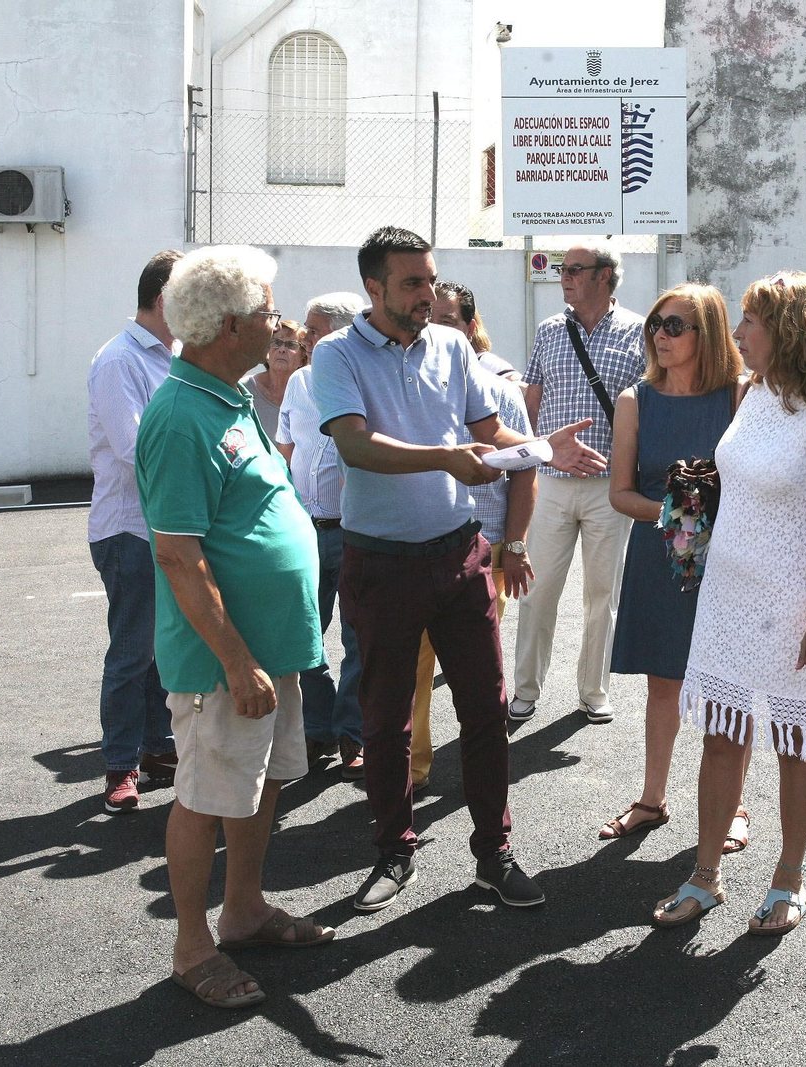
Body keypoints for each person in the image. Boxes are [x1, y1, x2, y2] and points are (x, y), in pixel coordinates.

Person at [312, 226, 605, 914]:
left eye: (432, 280)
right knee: (385, 721)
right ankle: (394, 849)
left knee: (484, 711)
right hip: (380, 561)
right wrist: (445, 456)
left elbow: (488, 432)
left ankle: (492, 854)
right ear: (373, 288)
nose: (428, 295)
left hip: (460, 554)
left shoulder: (449, 345)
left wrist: (539, 447)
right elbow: (355, 446)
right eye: (412, 283)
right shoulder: (335, 354)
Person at [136, 246, 333, 1010]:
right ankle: (193, 945)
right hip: (226, 658)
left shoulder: (227, 395)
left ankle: (243, 909)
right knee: (206, 792)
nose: (277, 324)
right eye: (265, 312)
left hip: (265, 649)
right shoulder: (181, 413)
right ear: (226, 325)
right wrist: (236, 660)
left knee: (264, 779)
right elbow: (179, 559)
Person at [651, 272, 806, 938]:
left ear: (792, 327)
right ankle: (705, 876)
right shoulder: (751, 391)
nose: (740, 333)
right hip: (729, 595)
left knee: (796, 742)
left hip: (795, 604)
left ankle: (789, 878)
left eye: (751, 321)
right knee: (722, 734)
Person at [603, 284, 753, 847]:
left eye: (673, 326)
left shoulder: (741, 395)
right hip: (658, 556)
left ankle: (734, 805)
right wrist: (678, 515)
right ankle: (652, 799)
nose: (658, 336)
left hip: (731, 559)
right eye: (654, 325)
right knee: (663, 684)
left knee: (729, 688)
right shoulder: (634, 400)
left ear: (707, 334)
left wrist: (711, 521)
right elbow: (620, 493)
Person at [511, 241, 646, 725]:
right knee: (538, 588)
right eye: (561, 270)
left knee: (602, 595)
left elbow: (646, 409)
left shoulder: (639, 333)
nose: (563, 277)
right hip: (549, 482)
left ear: (605, 275)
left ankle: (593, 691)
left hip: (611, 487)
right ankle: (524, 689)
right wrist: (537, 450)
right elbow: (530, 403)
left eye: (574, 270)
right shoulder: (549, 331)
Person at [409, 281, 535, 794]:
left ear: (469, 327)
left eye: (449, 319)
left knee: (478, 675)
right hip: (417, 549)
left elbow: (524, 469)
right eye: (429, 318)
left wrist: (517, 546)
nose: (438, 328)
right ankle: (412, 771)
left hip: (486, 550)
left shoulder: (501, 391)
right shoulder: (407, 386)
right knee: (412, 671)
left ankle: (476, 777)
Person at [87, 249, 183, 813]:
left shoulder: (170, 357)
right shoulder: (120, 359)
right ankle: (119, 765)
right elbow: (132, 451)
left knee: (158, 650)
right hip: (129, 531)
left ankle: (155, 748)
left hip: (163, 527)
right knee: (131, 651)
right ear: (164, 299)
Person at [276, 292, 367, 781]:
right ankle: (319, 727)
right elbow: (286, 446)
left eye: (313, 330)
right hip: (304, 531)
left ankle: (351, 733)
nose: (303, 339)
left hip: (354, 533)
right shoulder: (300, 381)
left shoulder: (364, 380)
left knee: (356, 640)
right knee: (305, 638)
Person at [433, 281, 522, 384]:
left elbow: (520, 387)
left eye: (446, 322)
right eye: (427, 321)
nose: (433, 329)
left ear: (470, 329)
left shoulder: (485, 365)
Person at [249, 319, 308, 439]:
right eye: (276, 342)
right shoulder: (244, 389)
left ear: (303, 355)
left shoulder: (309, 396)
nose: (281, 349)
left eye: (291, 345)